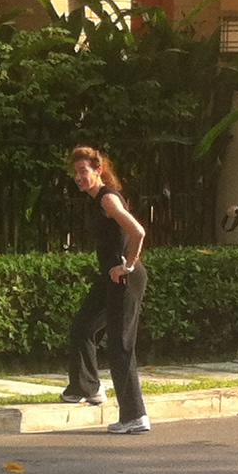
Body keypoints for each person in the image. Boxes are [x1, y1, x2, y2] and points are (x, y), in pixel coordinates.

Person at [63, 145, 151, 435]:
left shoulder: (107, 198)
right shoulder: (95, 199)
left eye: (83, 171)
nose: (78, 176)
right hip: (109, 278)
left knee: (120, 346)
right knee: (83, 326)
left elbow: (138, 232)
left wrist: (128, 266)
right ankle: (87, 387)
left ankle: (135, 416)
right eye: (75, 172)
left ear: (98, 170)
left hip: (124, 278)